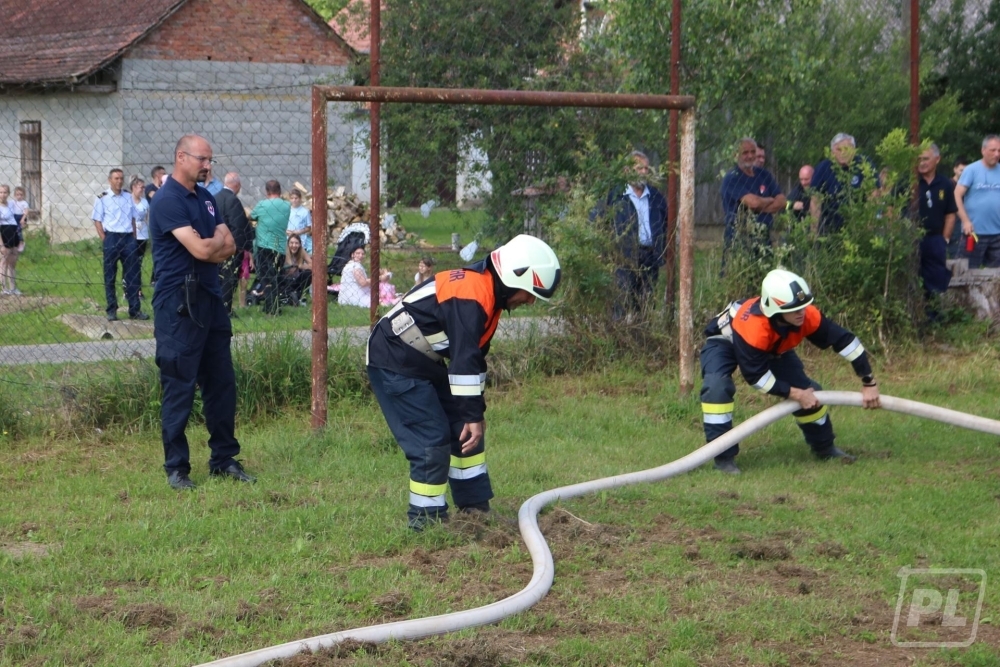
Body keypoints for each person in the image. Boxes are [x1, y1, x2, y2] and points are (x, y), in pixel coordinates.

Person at [367, 234, 561, 530]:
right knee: (431, 440)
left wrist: (474, 414)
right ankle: (427, 524)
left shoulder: (488, 296)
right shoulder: (471, 294)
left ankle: (474, 511)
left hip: (423, 360)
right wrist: (472, 415)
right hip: (394, 359)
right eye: (530, 292)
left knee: (466, 430)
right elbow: (463, 360)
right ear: (514, 277)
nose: (530, 300)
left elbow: (474, 360)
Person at [699, 268, 881, 475]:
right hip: (725, 342)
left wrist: (869, 381)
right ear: (774, 309)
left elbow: (846, 341)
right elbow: (757, 377)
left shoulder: (804, 315)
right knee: (717, 388)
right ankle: (723, 459)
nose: (802, 312)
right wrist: (795, 394)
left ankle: (825, 448)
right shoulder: (754, 327)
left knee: (810, 391)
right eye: (794, 309)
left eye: (803, 306)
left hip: (773, 347)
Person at [149, 134, 253, 490]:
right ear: (181, 157)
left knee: (221, 383)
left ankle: (223, 459)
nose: (208, 166)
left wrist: (209, 245)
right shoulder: (167, 200)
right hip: (178, 306)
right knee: (179, 385)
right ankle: (177, 469)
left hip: (210, 299)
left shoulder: (207, 198)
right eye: (202, 159)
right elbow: (202, 249)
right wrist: (210, 245)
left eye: (210, 160)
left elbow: (229, 244)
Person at [593, 151, 667, 320]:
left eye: (646, 169)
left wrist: (661, 249)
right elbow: (598, 222)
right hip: (623, 257)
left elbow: (665, 223)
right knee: (620, 302)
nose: (643, 172)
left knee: (646, 304)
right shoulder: (615, 195)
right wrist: (604, 253)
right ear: (627, 171)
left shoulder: (656, 197)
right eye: (639, 168)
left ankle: (642, 334)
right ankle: (617, 334)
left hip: (649, 257)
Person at [92, 168, 147, 321]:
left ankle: (134, 310)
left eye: (121, 178)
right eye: (116, 178)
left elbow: (133, 219)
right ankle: (111, 309)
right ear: (110, 180)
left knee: (133, 275)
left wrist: (134, 237)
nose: (119, 181)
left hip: (128, 238)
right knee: (110, 275)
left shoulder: (128, 196)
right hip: (111, 237)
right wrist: (105, 239)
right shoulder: (102, 198)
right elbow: (97, 220)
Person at [720, 138, 786, 250]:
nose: (750, 156)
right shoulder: (732, 178)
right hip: (740, 237)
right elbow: (754, 203)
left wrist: (759, 206)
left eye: (753, 152)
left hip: (764, 236)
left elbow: (782, 201)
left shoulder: (764, 174)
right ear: (736, 155)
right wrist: (770, 200)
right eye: (745, 153)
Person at [915, 144, 957, 317]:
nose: (922, 162)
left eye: (925, 158)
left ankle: (934, 319)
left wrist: (944, 239)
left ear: (937, 159)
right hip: (912, 240)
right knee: (913, 280)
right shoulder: (909, 182)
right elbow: (891, 209)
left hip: (935, 239)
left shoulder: (945, 183)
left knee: (936, 281)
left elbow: (950, 214)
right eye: (919, 159)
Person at [810, 133, 879, 235]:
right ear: (832, 152)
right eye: (839, 149)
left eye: (846, 149)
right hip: (830, 225)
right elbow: (815, 200)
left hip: (859, 223)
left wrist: (869, 226)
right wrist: (813, 232)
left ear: (854, 150)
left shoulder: (864, 163)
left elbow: (873, 194)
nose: (843, 153)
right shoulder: (823, 168)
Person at [955, 135, 1000, 268]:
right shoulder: (971, 170)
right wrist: (965, 221)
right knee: (966, 271)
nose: (997, 154)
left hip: (997, 235)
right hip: (974, 233)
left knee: (997, 275)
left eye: (999, 151)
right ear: (983, 150)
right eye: (993, 150)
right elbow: (956, 195)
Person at [216, 172, 255, 313]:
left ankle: (217, 307)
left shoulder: (215, 198)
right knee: (230, 278)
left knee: (218, 277)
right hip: (230, 247)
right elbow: (238, 226)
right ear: (238, 185)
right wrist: (240, 247)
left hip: (216, 244)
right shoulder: (233, 200)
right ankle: (226, 309)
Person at [250, 180, 291, 315]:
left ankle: (272, 307)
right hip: (279, 247)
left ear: (267, 191)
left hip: (264, 246)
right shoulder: (287, 205)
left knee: (266, 278)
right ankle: (272, 303)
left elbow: (251, 216)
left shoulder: (262, 205)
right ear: (280, 190)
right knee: (276, 277)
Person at [129, 175, 151, 300]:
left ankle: (138, 289)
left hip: (143, 235)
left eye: (143, 187)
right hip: (131, 234)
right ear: (133, 187)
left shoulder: (144, 202)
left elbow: (147, 217)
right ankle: (129, 289)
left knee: (138, 263)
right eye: (140, 187)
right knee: (130, 263)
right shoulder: (128, 200)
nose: (142, 189)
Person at [0, 185, 20, 295]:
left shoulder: (12, 204)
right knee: (4, 262)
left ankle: (13, 288)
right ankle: (4, 288)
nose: (3, 195)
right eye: (1, 192)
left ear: (8, 193)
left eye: (5, 192)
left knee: (12, 262)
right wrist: (1, 245)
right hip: (4, 234)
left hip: (14, 233)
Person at [281, 234, 312, 305]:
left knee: (308, 273)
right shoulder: (284, 252)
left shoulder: (301, 251)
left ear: (300, 244)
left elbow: (312, 265)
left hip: (296, 280)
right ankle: (293, 296)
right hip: (284, 280)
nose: (294, 245)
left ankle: (299, 294)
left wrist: (300, 266)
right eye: (291, 243)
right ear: (288, 244)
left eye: (296, 243)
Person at [948, 157, 969, 257]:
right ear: (955, 169)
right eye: (961, 170)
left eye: (966, 171)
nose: (963, 173)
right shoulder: (949, 184)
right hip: (953, 219)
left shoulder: (968, 185)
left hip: (965, 219)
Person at [286, 189, 313, 256]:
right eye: (292, 198)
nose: (294, 200)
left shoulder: (305, 211)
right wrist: (286, 231)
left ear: (300, 199)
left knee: (300, 256)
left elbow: (309, 227)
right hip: (288, 237)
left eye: (296, 198)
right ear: (289, 199)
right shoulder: (287, 210)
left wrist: (298, 232)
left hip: (301, 238)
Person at [11, 186, 28, 254]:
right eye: (17, 194)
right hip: (14, 216)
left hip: (21, 217)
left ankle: (21, 242)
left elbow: (26, 212)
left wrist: (23, 219)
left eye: (21, 195)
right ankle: (15, 244)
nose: (19, 196)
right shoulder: (13, 202)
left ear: (24, 195)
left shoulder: (24, 203)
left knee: (19, 231)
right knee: (13, 231)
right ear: (15, 195)